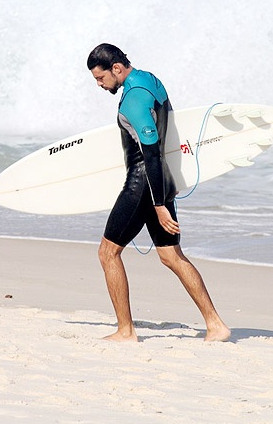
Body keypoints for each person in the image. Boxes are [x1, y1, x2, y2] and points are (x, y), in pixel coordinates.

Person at [87, 43, 231, 342]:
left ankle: (125, 331)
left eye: (100, 78)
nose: (99, 85)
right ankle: (215, 324)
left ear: (116, 68)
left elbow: (151, 154)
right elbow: (172, 135)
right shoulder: (150, 80)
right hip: (159, 181)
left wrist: (159, 204)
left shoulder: (134, 99)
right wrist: (167, 187)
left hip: (143, 184)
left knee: (108, 252)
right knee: (170, 256)